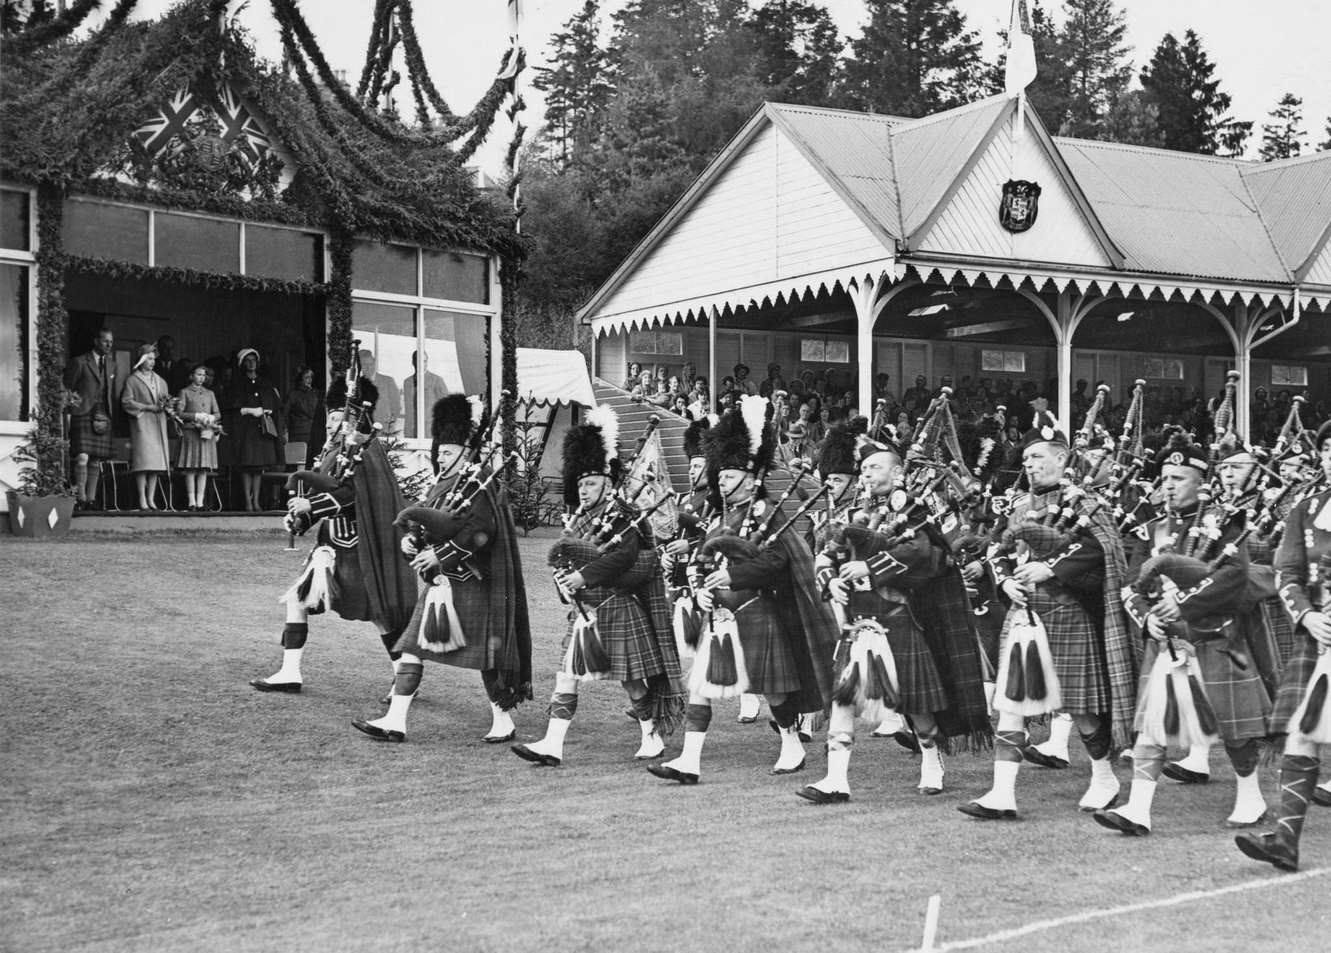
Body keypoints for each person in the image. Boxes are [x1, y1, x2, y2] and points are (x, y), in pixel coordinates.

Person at [649, 395, 838, 785]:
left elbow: (775, 562)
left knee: (774, 691)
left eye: (730, 476)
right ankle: (689, 760)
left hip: (757, 611)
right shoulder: (721, 516)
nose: (722, 480)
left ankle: (791, 742)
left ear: (752, 478)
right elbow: (703, 559)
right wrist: (701, 589)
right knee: (699, 687)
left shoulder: (766, 512)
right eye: (721, 475)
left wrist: (733, 578)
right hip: (718, 617)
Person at [959, 414, 1137, 821]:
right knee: (1011, 705)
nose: (1031, 465)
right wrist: (1004, 583)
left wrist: (1051, 569)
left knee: (1081, 707)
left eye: (1039, 457)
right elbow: (998, 549)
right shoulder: (1021, 506)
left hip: (1068, 615)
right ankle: (1002, 794)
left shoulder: (1086, 503)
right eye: (1026, 459)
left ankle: (1105, 777)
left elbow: (1101, 548)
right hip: (1023, 616)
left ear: (1061, 458)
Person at [800, 429, 993, 803]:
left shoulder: (913, 511)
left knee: (916, 704)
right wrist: (831, 583)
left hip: (898, 619)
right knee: (843, 699)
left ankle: (932, 759)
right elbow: (825, 555)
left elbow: (925, 555)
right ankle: (836, 780)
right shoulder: (856, 514)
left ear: (897, 471)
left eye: (875, 467)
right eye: (864, 468)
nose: (867, 473)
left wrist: (870, 568)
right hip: (858, 624)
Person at [1096, 434, 1274, 836]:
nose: (1169, 485)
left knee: (1232, 727)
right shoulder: (1150, 530)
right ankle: (1138, 809)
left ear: (1201, 481)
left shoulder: (1226, 524)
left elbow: (1235, 578)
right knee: (1152, 727)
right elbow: (1129, 585)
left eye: (1179, 477)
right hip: (1167, 643)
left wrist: (1185, 606)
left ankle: (1251, 796)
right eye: (1164, 477)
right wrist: (1146, 619)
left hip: (1214, 637)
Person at [353, 395, 533, 744]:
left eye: (448, 452)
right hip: (441, 586)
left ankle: (503, 720)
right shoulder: (441, 485)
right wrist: (413, 544)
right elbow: (427, 526)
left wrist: (441, 556)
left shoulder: (480, 482)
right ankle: (395, 721)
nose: (440, 457)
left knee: (487, 658)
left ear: (466, 451)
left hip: (473, 584)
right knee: (410, 649)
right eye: (439, 452)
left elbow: (481, 532)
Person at [513, 405, 686, 767]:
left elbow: (624, 558)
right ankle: (552, 744)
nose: (584, 488)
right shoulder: (578, 521)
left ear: (607, 482)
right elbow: (567, 563)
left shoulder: (622, 516)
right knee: (567, 676)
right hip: (584, 615)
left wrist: (584, 576)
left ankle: (652, 737)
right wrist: (565, 584)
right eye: (580, 483)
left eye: (590, 482)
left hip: (617, 609)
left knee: (633, 682)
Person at [250, 375, 417, 696]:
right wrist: (301, 518)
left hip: (358, 550)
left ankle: (405, 678)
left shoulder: (365, 451)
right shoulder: (335, 452)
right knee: (298, 600)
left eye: (338, 418)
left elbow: (353, 496)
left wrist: (310, 503)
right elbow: (327, 496)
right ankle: (289, 672)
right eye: (328, 418)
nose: (330, 424)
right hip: (330, 550)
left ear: (353, 418)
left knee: (380, 615)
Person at [1236, 419, 1331, 871]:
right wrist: (1307, 615)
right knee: (1301, 732)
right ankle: (1285, 840)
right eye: (1328, 450)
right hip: (1319, 641)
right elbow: (1287, 573)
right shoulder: (1307, 509)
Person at [62, 327, 118, 509]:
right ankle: (80, 498)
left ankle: (91, 500)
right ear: (96, 341)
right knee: (82, 458)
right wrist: (69, 413)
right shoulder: (79, 362)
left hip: (103, 413)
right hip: (82, 412)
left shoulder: (112, 364)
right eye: (105, 341)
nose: (109, 344)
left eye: (111, 341)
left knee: (96, 458)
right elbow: (66, 389)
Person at [224, 348, 283, 512]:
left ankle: (256, 501)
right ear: (242, 364)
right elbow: (231, 408)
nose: (251, 363)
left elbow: (275, 404)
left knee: (258, 467)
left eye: (254, 360)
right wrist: (248, 410)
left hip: (261, 429)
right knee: (246, 465)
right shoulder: (237, 384)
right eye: (248, 360)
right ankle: (247, 502)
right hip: (245, 430)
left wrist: (267, 410)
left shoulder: (265, 383)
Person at [119, 344, 172, 511]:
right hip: (142, 424)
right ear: (142, 360)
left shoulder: (161, 381)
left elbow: (166, 400)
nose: (152, 362)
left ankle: (151, 498)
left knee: (155, 464)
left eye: (153, 359)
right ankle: (142, 498)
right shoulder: (133, 380)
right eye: (149, 359)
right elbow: (126, 402)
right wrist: (147, 408)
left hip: (158, 424)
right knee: (143, 463)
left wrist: (168, 408)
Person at [175, 363, 221, 511]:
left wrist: (210, 418)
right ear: (191, 376)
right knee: (191, 468)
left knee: (202, 468)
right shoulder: (184, 392)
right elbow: (179, 413)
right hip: (191, 432)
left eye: (203, 375)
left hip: (206, 433)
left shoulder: (210, 393)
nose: (201, 378)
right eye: (198, 374)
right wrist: (196, 416)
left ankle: (200, 502)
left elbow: (217, 413)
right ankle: (191, 502)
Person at [283, 365, 321, 468]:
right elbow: (285, 414)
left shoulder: (315, 393)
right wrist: (285, 431)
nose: (309, 380)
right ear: (300, 379)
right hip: (298, 433)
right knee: (298, 463)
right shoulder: (293, 394)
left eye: (311, 377)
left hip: (314, 433)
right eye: (306, 377)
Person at [403, 351, 448, 438]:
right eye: (418, 361)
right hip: (411, 432)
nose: (421, 364)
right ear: (413, 362)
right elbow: (408, 409)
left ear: (427, 362)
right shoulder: (407, 382)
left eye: (424, 361)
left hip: (429, 432)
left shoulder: (436, 380)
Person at [359, 350, 402, 437]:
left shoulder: (388, 381)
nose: (369, 368)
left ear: (374, 363)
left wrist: (388, 425)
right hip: (364, 433)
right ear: (360, 366)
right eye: (365, 365)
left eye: (370, 364)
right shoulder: (358, 384)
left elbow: (396, 407)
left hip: (384, 432)